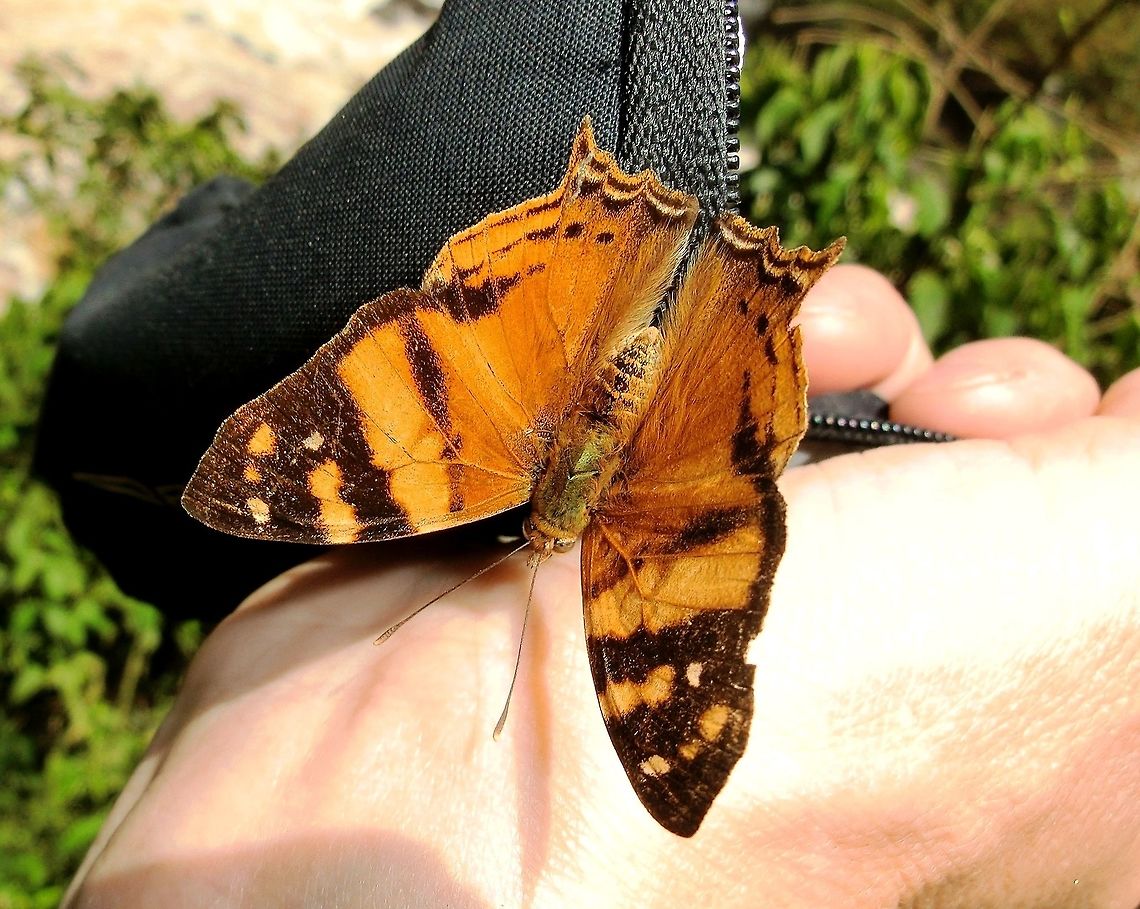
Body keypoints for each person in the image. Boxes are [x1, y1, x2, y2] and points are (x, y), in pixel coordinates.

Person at [62, 263, 1140, 908]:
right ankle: (740, 291)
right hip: (616, 356)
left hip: (563, 328)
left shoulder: (487, 489)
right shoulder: (596, 539)